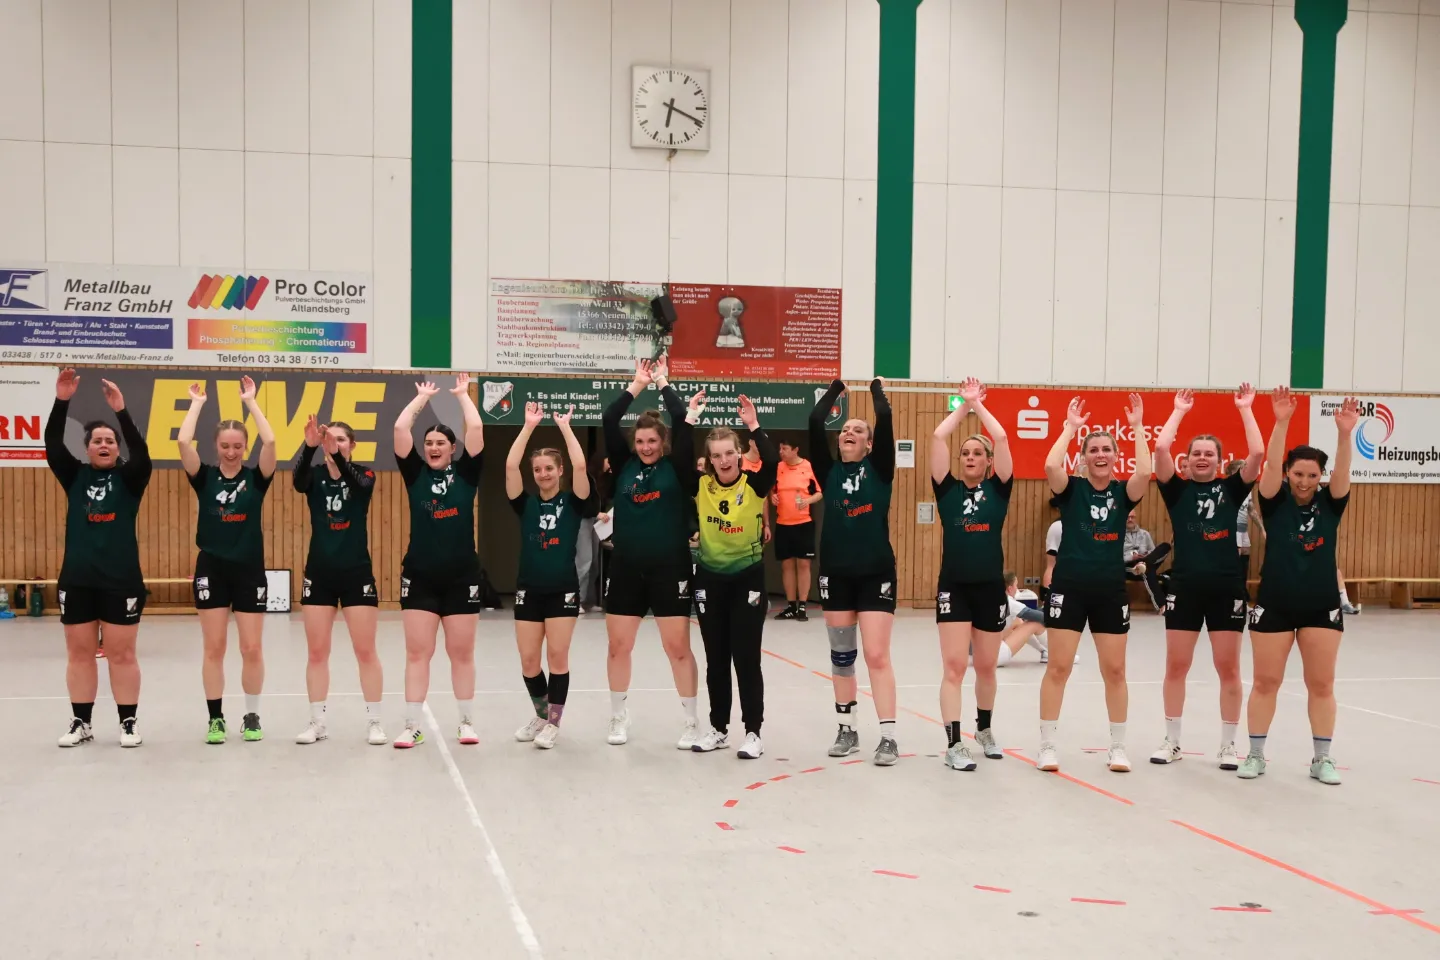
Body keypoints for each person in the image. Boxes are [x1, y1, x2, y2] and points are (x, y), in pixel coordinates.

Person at [1239, 391, 1359, 785]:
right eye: (1298, 474)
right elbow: (1271, 463)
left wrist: (1345, 435)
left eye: (1312, 475)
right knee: (1265, 682)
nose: (1305, 482)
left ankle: (1322, 759)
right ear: (1288, 473)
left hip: (1320, 606)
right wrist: (1282, 421)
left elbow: (1342, 472)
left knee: (1321, 684)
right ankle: (1255, 755)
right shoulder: (1274, 502)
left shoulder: (1331, 503)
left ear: (1320, 476)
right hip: (1275, 603)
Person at [1149, 385, 1264, 769]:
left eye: (1208, 453)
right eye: (1196, 453)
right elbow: (1160, 448)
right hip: (1184, 587)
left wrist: (1245, 409)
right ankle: (1172, 741)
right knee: (1176, 666)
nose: (1202, 458)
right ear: (1186, 461)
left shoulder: (1232, 489)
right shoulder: (1176, 491)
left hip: (1226, 588)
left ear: (1219, 460)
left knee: (1228, 669)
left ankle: (1228, 746)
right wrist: (1179, 411)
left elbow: (1258, 454)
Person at [1038, 395, 1151, 774]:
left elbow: (1145, 472)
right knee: (1058, 668)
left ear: (1116, 456)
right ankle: (1047, 746)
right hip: (1069, 589)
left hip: (1109, 592)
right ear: (1084, 457)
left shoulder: (1123, 493)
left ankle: (1118, 747)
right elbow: (1050, 464)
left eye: (1106, 450)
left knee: (1115, 671)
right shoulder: (1071, 489)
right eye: (1094, 450)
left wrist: (1137, 427)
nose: (1100, 455)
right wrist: (1070, 428)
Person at [47, 369, 151, 748]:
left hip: (120, 581)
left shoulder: (130, 478)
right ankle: (82, 722)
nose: (104, 444)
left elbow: (142, 454)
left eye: (110, 440)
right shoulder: (73, 475)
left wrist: (121, 411)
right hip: (77, 579)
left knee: (122, 654)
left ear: (116, 448)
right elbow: (52, 443)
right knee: (79, 653)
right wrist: (62, 400)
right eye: (97, 441)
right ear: (87, 448)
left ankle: (128, 722)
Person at [601, 357, 702, 748]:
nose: (645, 447)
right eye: (640, 441)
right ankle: (618, 716)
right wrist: (637, 383)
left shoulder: (677, 468)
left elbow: (680, 419)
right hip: (626, 568)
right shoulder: (624, 466)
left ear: (663, 443)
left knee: (677, 648)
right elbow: (610, 418)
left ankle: (691, 721)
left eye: (652, 441)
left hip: (669, 569)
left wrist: (661, 381)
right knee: (618, 646)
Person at [177, 377, 278, 744]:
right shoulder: (203, 477)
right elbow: (182, 442)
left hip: (249, 570)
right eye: (225, 446)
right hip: (212, 569)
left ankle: (251, 715)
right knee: (214, 647)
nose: (231, 452)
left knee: (251, 648)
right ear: (216, 446)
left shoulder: (258, 478)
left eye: (237, 446)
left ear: (245, 447)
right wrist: (197, 404)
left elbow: (271, 442)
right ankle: (216, 718)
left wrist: (251, 402)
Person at [391, 375, 486, 749]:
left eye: (440, 443)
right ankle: (412, 725)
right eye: (428, 443)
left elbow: (476, 428)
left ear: (452, 448)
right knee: (418, 653)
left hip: (462, 576)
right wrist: (421, 400)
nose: (432, 447)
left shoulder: (466, 473)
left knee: (461, 654)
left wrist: (462, 395)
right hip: (420, 576)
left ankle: (466, 722)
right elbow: (400, 429)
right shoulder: (414, 473)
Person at [810, 378, 900, 764]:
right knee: (842, 657)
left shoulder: (879, 470)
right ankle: (847, 730)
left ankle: (888, 737)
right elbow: (815, 421)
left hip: (875, 574)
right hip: (836, 575)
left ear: (869, 444)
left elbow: (885, 418)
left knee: (876, 655)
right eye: (846, 428)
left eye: (858, 430)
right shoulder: (828, 472)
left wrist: (875, 389)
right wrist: (836, 389)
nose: (849, 432)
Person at [930, 378, 1014, 770]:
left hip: (990, 589)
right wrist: (963, 406)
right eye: (964, 452)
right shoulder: (946, 490)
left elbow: (1002, 438)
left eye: (977, 453)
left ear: (988, 462)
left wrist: (979, 405)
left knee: (985, 667)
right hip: (954, 588)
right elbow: (937, 437)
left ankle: (984, 729)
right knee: (954, 667)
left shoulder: (999, 490)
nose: (969, 457)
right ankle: (953, 744)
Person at [691, 397, 778, 758]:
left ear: (739, 454)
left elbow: (772, 460)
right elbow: (678, 457)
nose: (724, 460)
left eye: (729, 453)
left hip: (747, 578)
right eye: (717, 455)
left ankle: (753, 732)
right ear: (709, 460)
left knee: (746, 656)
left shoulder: (755, 485)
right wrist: (690, 416)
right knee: (716, 658)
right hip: (710, 578)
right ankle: (718, 728)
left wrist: (754, 424)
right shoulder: (701, 486)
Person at [506, 402, 596, 750]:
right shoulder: (525, 503)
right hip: (529, 589)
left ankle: (553, 724)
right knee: (529, 661)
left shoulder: (574, 502)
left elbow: (581, 465)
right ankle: (542, 715)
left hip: (562, 591)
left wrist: (565, 427)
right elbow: (510, 465)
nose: (543, 474)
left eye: (548, 468)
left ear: (559, 471)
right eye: (538, 469)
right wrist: (528, 426)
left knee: (557, 657)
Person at [292, 416, 384, 746]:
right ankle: (317, 723)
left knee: (365, 651)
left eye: (341, 439)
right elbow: (297, 482)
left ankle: (375, 722)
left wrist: (337, 456)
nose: (335, 444)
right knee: (317, 652)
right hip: (320, 574)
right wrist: (310, 446)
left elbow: (360, 487)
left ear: (352, 445)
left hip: (356, 573)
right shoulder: (315, 476)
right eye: (330, 439)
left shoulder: (364, 474)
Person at [772, 440, 822, 621]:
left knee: (803, 564)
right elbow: (771, 490)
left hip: (803, 523)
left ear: (795, 450)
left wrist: (807, 501)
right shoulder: (778, 467)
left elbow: (819, 492)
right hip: (782, 523)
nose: (781, 452)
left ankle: (802, 606)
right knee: (786, 565)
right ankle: (791, 606)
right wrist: (773, 497)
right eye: (780, 448)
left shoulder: (807, 467)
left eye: (785, 449)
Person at [996, 572, 1048, 667]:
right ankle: (1058, 653)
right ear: (1010, 588)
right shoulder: (1008, 602)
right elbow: (1040, 617)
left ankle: (1045, 651)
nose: (1017, 589)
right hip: (995, 656)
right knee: (1035, 623)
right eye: (1016, 585)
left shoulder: (990, 599)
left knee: (1018, 622)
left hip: (980, 655)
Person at [1123, 512, 1170, 610]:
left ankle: (1144, 563)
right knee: (1148, 570)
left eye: (1132, 517)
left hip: (1146, 561)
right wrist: (1131, 557)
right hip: (1129, 567)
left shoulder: (1145, 534)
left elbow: (1153, 552)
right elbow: (1115, 556)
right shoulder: (1118, 535)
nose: (1130, 519)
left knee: (1165, 546)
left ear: (1135, 518)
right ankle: (1161, 605)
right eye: (1127, 517)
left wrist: (1145, 556)